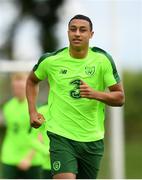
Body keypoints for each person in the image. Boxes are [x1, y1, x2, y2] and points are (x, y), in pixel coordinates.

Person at [26, 14, 125, 179]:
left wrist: (96, 94)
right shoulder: (51, 60)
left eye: (82, 30)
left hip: (92, 138)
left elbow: (120, 97)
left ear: (91, 34)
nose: (77, 33)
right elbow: (31, 81)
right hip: (60, 135)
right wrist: (32, 111)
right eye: (73, 29)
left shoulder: (103, 60)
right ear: (68, 33)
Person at [1, 72, 43, 179]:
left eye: (20, 87)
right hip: (9, 157)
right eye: (14, 87)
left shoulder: (35, 108)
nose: (17, 90)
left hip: (32, 160)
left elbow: (40, 135)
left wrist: (28, 158)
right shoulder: (7, 107)